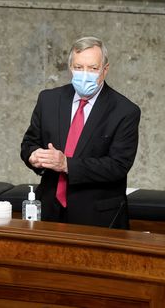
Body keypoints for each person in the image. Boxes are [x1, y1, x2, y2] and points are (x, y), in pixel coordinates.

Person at [20, 36, 140, 228]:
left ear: (105, 70)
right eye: (78, 67)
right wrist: (34, 156)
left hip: (97, 217)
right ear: (70, 68)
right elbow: (29, 143)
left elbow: (118, 165)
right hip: (48, 210)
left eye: (92, 68)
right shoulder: (48, 100)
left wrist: (67, 164)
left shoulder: (124, 111)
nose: (85, 74)